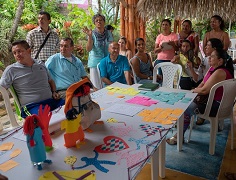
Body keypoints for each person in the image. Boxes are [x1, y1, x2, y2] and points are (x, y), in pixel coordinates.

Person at [167, 48, 234, 145]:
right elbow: (202, 84)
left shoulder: (220, 72)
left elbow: (204, 90)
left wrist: (192, 92)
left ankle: (179, 135)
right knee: (185, 102)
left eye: (212, 57)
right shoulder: (212, 69)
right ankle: (179, 133)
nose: (209, 58)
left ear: (220, 61)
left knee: (185, 107)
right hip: (210, 101)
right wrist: (195, 93)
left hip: (217, 106)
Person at [0, 40, 64, 118]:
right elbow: (1, 88)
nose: (17, 55)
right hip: (32, 106)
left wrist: (54, 92)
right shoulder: (11, 70)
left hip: (52, 101)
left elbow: (50, 81)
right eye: (14, 53)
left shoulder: (40, 64)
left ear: (29, 51)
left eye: (19, 51)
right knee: (44, 118)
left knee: (70, 108)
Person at [82, 13, 114, 89]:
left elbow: (111, 46)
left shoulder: (109, 33)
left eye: (101, 20)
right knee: (97, 86)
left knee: (107, 86)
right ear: (94, 23)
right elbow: (88, 49)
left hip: (107, 62)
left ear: (104, 22)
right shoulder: (91, 33)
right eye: (96, 20)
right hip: (95, 63)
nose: (99, 21)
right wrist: (89, 37)